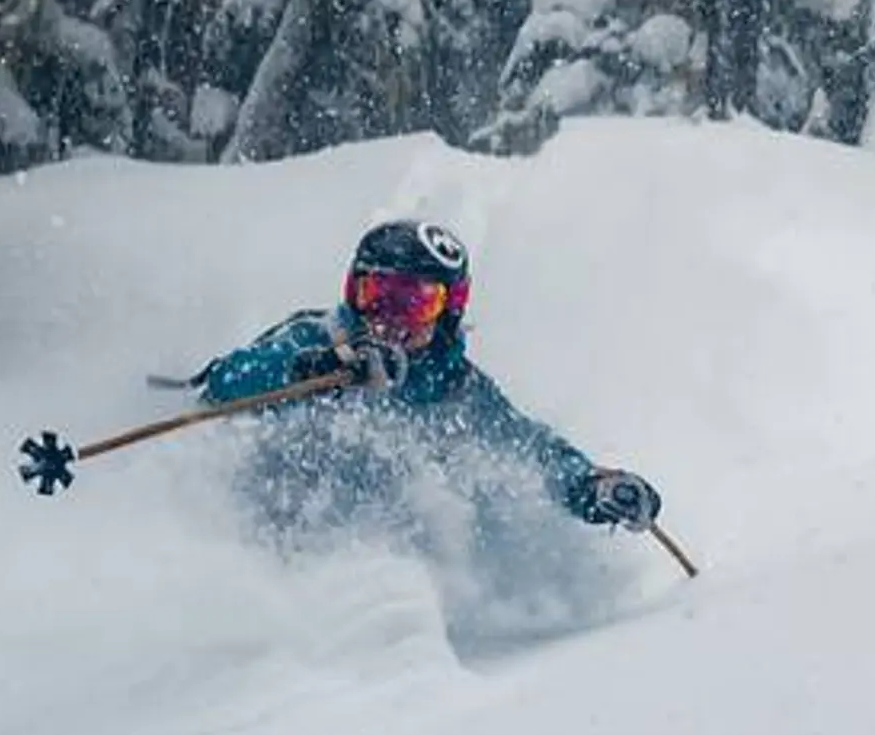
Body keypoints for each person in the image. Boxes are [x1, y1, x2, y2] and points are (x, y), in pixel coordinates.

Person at [193, 219, 662, 547]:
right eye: (377, 297)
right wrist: (314, 371)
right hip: (267, 533)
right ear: (354, 291)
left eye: (415, 304)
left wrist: (587, 486)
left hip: (365, 555)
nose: (390, 320)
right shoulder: (316, 339)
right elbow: (222, 384)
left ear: (450, 309)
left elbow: (529, 449)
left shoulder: (452, 387)